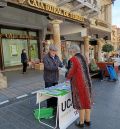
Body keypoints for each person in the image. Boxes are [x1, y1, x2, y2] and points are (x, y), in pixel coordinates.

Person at [66, 45, 92, 128]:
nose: (70, 53)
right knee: (87, 101)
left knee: (81, 103)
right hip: (87, 82)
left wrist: (65, 73)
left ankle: (81, 123)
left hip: (79, 84)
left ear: (73, 51)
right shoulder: (84, 57)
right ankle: (87, 121)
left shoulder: (73, 59)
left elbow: (70, 73)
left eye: (70, 52)